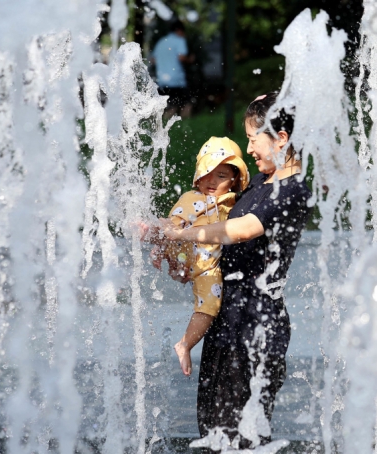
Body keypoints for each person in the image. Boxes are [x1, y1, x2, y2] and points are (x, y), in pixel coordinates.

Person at [157, 92, 313, 449]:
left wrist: (185, 233)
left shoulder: (291, 192)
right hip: (227, 322)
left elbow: (242, 230)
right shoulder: (260, 182)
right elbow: (216, 217)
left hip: (256, 329)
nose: (250, 148)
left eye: (253, 137)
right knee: (213, 430)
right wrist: (183, 253)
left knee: (239, 437)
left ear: (282, 138)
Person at [150, 137, 249, 377]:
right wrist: (162, 244)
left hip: (208, 268)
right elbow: (173, 225)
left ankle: (184, 344)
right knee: (165, 228)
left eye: (222, 176)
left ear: (236, 179)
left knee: (210, 306)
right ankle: (147, 232)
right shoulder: (190, 199)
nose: (212, 181)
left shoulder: (234, 204)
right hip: (185, 253)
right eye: (207, 173)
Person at [150, 20, 195, 119]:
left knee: (170, 106)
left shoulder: (161, 42)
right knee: (187, 104)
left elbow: (153, 60)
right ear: (179, 31)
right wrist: (190, 59)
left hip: (162, 80)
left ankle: (165, 128)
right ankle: (185, 126)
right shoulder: (179, 40)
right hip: (177, 80)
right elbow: (181, 57)